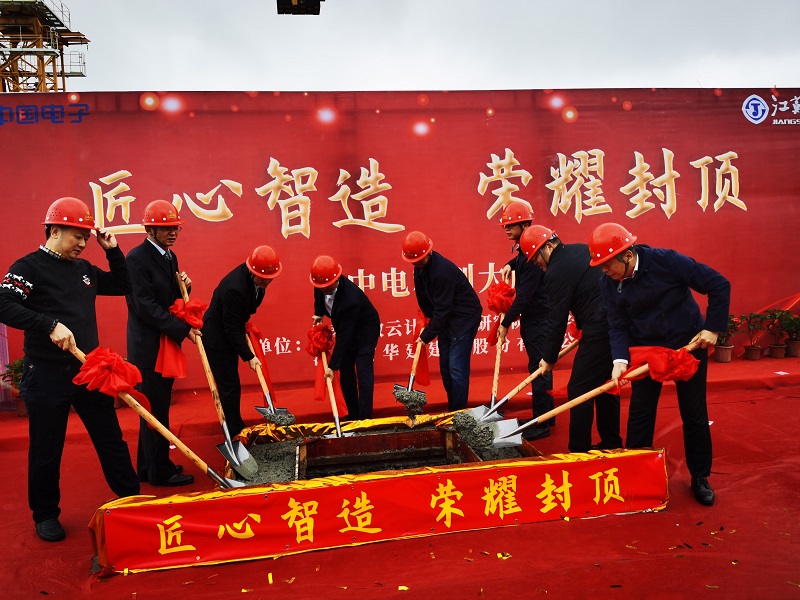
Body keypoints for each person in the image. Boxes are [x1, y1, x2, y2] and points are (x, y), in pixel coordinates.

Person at [0, 197, 140, 542]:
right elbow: (3, 304)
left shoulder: (84, 270)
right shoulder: (28, 267)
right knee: (46, 448)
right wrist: (48, 324)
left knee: (111, 438)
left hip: (89, 371)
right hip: (46, 375)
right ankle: (45, 514)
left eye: (86, 238)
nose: (82, 243)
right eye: (77, 236)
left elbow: (122, 286)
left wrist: (112, 251)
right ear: (54, 230)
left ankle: (131, 498)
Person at [588, 222, 730, 506]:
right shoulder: (608, 283)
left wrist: (713, 328)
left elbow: (718, 284)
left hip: (687, 347)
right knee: (640, 412)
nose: (603, 270)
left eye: (607, 264)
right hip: (648, 352)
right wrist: (619, 360)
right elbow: (617, 324)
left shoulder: (667, 261)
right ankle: (635, 472)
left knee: (694, 414)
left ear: (627, 255)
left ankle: (700, 476)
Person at [520, 225, 621, 452]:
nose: (535, 263)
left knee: (579, 388)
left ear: (548, 246)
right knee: (605, 385)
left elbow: (556, 318)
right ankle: (612, 443)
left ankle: (579, 450)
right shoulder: (580, 250)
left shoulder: (555, 272)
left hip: (600, 328)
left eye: (535, 257)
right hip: (613, 324)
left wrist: (548, 358)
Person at [126, 200, 199, 487]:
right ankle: (159, 471)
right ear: (149, 229)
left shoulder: (170, 257)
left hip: (164, 343)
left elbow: (169, 298)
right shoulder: (136, 259)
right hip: (149, 347)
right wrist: (183, 330)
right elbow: (144, 306)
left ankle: (149, 467)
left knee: (156, 407)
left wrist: (185, 288)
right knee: (153, 408)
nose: (173, 233)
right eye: (166, 228)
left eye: (175, 228)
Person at [203, 246, 282, 436]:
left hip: (233, 328)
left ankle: (235, 424)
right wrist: (249, 356)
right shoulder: (234, 288)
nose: (267, 281)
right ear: (252, 271)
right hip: (217, 336)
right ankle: (234, 430)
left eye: (270, 278)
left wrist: (242, 324)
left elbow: (242, 315)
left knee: (232, 383)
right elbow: (230, 328)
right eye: (263, 278)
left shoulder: (256, 283)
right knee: (229, 384)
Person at [402, 231, 482, 411]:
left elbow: (443, 308)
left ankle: (459, 414)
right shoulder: (419, 268)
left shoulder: (441, 272)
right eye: (413, 261)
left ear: (428, 252)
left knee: (456, 369)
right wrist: (426, 318)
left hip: (463, 319)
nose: (415, 263)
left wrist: (427, 335)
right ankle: (453, 409)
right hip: (445, 320)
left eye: (419, 259)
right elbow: (423, 298)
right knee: (445, 369)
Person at [496, 202, 553, 441]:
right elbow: (520, 260)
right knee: (539, 368)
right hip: (536, 318)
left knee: (539, 370)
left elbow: (524, 297)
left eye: (511, 225)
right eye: (505, 226)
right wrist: (510, 264)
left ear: (526, 224)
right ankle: (546, 415)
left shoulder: (532, 256)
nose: (507, 229)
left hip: (539, 319)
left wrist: (505, 323)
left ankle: (542, 422)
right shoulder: (526, 250)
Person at [311, 255, 380, 420]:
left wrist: (332, 366)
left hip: (365, 330)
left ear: (336, 279)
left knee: (363, 370)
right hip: (346, 328)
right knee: (346, 371)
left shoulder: (351, 299)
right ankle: (353, 414)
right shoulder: (320, 282)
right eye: (320, 286)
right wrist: (319, 313)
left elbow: (344, 336)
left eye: (327, 286)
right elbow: (318, 295)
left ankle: (365, 417)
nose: (323, 289)